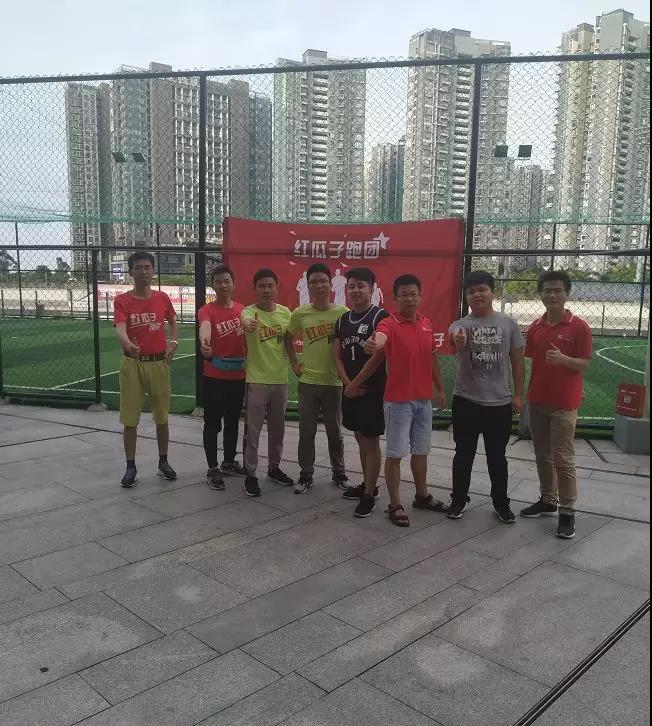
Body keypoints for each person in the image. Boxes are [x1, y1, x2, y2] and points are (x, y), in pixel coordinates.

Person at [362, 274, 446, 527]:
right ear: (395, 298)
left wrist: (440, 388)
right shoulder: (389, 323)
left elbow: (432, 359)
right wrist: (374, 343)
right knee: (396, 454)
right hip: (398, 402)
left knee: (421, 451)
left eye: (413, 294)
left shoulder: (426, 323)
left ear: (420, 296)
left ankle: (422, 496)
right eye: (404, 295)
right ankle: (395, 504)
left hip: (423, 400)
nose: (409, 299)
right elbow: (380, 338)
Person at [446, 270, 525, 523]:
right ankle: (458, 500)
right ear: (466, 296)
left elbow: (518, 361)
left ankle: (501, 503)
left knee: (497, 458)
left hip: (499, 403)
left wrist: (518, 395)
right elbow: (455, 336)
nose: (477, 295)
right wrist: (458, 339)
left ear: (493, 292)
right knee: (463, 454)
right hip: (466, 401)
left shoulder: (509, 324)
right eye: (471, 291)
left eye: (482, 289)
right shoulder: (461, 324)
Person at [520, 270, 592, 539]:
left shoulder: (580, 327)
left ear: (567, 294)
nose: (552, 295)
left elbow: (585, 363)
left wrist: (564, 360)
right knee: (542, 456)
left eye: (558, 290)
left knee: (563, 458)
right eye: (547, 290)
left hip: (564, 403)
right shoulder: (535, 327)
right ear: (540, 294)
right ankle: (548, 500)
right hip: (538, 400)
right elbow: (532, 361)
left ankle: (568, 512)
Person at [113, 251, 179, 488]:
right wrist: (127, 344)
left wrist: (173, 343)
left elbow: (173, 321)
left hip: (159, 363)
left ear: (153, 270)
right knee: (130, 419)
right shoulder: (122, 300)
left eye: (148, 267)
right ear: (131, 271)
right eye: (139, 267)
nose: (144, 271)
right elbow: (120, 327)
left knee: (162, 416)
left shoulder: (162, 298)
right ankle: (130, 466)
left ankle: (163, 461)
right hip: (133, 364)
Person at [285, 262, 349, 494]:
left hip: (333, 383)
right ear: (308, 286)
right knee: (306, 432)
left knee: (335, 432)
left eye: (323, 281)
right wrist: (294, 363)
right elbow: (288, 337)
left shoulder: (343, 313)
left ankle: (339, 473)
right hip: (308, 382)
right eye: (314, 282)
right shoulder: (300, 313)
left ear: (330, 285)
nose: (319, 286)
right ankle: (306, 475)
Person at [333, 267, 389, 518]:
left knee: (370, 441)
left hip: (371, 391)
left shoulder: (380, 317)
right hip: (351, 390)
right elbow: (337, 355)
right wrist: (347, 383)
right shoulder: (342, 320)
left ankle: (369, 494)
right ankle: (369, 484)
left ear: (372, 289)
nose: (355, 290)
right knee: (359, 437)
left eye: (361, 286)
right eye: (351, 286)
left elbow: (378, 357)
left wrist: (355, 384)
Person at [240, 268, 294, 497]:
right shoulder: (248, 312)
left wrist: (295, 364)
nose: (266, 290)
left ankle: (274, 468)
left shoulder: (285, 313)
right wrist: (248, 325)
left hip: (280, 380)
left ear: (276, 288)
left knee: (277, 429)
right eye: (261, 286)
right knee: (253, 431)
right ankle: (250, 474)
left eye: (270, 285)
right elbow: (245, 322)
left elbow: (290, 341)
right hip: (257, 380)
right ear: (255, 289)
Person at [198, 265, 247, 491]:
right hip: (214, 377)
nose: (223, 285)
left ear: (233, 284)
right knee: (212, 424)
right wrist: (205, 343)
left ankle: (229, 461)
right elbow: (205, 327)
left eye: (227, 281)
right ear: (213, 285)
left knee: (233, 422)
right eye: (218, 281)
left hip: (238, 377)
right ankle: (212, 468)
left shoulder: (243, 310)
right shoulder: (207, 310)